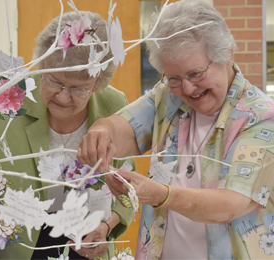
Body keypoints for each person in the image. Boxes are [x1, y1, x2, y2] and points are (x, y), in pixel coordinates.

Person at [77, 1, 274, 259]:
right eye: (174, 78)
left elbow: (230, 204)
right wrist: (101, 130)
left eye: (195, 73)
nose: (188, 89)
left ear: (226, 55)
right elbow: (122, 129)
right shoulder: (168, 97)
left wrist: (161, 196)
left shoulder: (261, 117)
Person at [0, 11, 135, 260]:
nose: (63, 97)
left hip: (85, 241)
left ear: (97, 84)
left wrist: (106, 225)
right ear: (41, 68)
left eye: (77, 89)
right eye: (53, 82)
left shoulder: (113, 104)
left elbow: (126, 186)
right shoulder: (6, 97)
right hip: (15, 243)